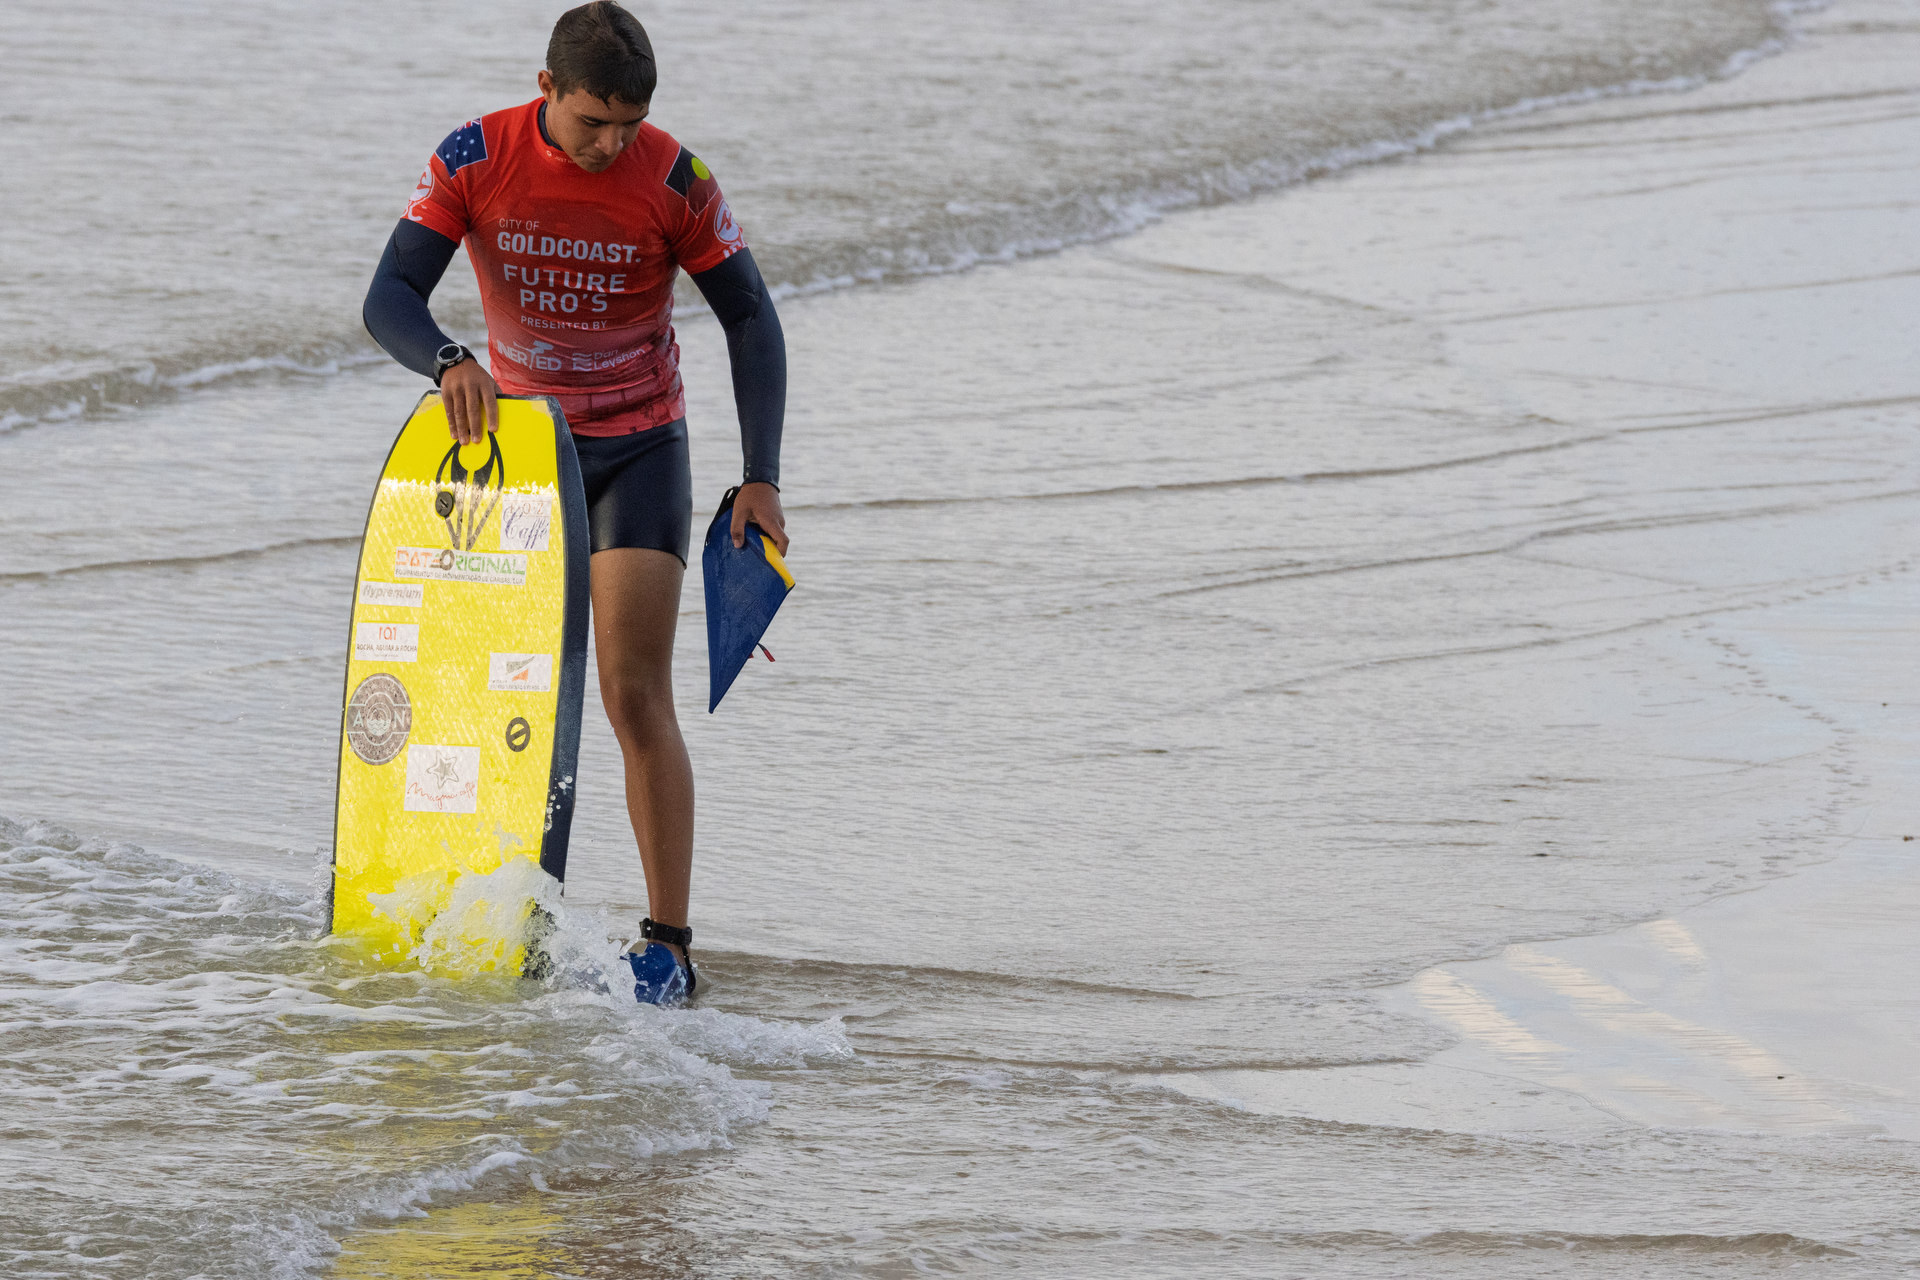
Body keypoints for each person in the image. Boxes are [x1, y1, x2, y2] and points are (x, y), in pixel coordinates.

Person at [362, 1, 788, 1005]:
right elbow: (388, 298)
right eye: (594, 121)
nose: (611, 145)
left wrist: (761, 474)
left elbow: (750, 317)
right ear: (547, 89)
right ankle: (472, 903)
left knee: (634, 693)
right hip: (522, 457)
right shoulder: (475, 157)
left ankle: (669, 945)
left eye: (629, 125)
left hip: (641, 447)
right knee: (490, 692)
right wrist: (449, 359)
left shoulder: (676, 180)